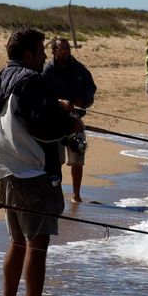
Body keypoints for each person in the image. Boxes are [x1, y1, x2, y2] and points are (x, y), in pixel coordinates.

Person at [0, 29, 83, 296]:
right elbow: (42, 127)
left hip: (3, 171)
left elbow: (22, 115)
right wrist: (71, 125)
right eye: (40, 51)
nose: (43, 57)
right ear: (27, 54)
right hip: (33, 173)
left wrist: (57, 107)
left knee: (16, 241)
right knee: (37, 246)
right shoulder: (33, 80)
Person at [42, 37, 97, 203]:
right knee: (56, 161)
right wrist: (59, 102)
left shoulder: (78, 68)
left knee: (78, 159)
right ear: (54, 52)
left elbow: (91, 88)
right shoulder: (48, 70)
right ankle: (55, 193)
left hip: (75, 120)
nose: (66, 51)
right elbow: (42, 93)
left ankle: (76, 194)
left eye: (67, 47)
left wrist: (82, 100)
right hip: (55, 121)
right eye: (62, 48)